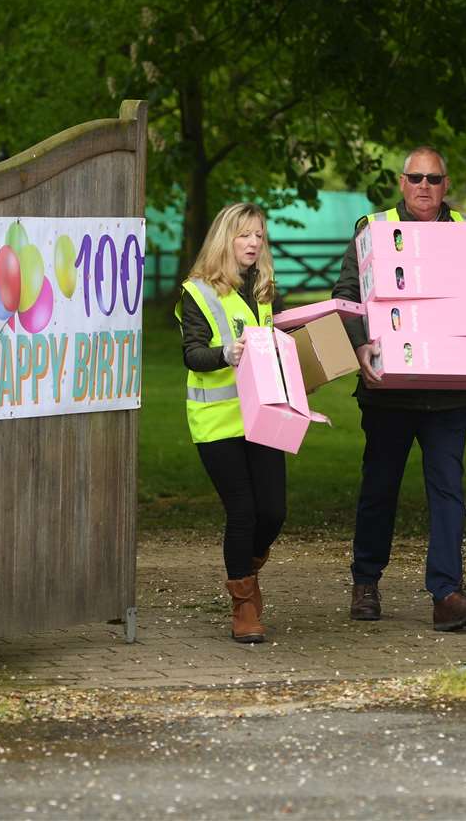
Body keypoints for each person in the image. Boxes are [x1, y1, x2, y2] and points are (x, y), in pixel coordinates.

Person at [332, 145, 466, 632]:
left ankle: (446, 594)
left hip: (448, 392)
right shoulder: (373, 228)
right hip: (388, 389)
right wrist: (360, 346)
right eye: (416, 178)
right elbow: (346, 295)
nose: (424, 186)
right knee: (379, 488)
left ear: (447, 185)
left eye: (434, 178)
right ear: (402, 183)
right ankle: (366, 582)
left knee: (448, 490)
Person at [175, 203, 286, 643]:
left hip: (263, 416)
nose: (254, 243)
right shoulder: (198, 291)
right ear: (226, 238)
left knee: (273, 512)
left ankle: (249, 571)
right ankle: (243, 603)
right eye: (244, 235)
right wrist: (227, 353)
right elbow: (192, 354)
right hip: (217, 421)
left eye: (259, 235)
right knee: (242, 511)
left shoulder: (263, 289)